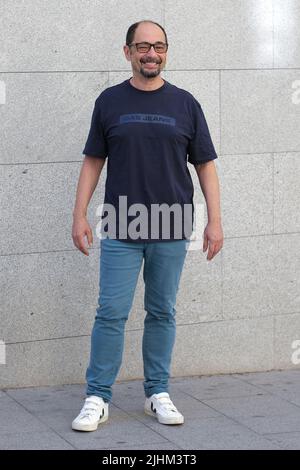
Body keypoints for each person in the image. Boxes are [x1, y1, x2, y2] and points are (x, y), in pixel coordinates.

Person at [71, 20, 223, 432]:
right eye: (142, 47)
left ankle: (157, 393)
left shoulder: (186, 103)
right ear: (128, 52)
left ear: (166, 52)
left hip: (172, 224)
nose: (150, 54)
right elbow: (93, 160)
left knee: (162, 312)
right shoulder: (109, 101)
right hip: (120, 222)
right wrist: (79, 213)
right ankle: (97, 397)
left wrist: (214, 221)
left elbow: (205, 164)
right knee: (110, 313)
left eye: (158, 46)